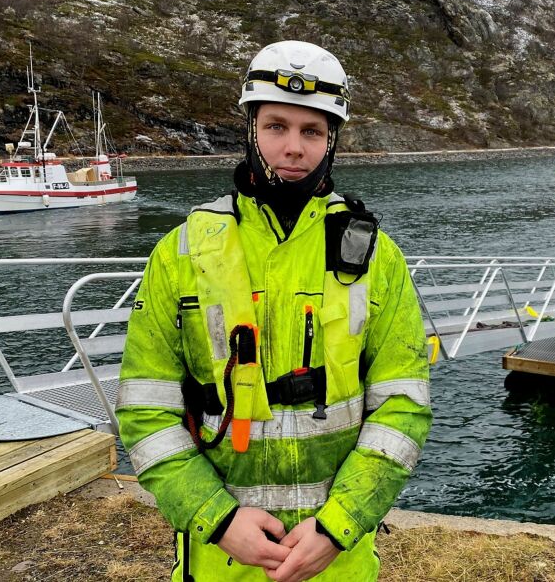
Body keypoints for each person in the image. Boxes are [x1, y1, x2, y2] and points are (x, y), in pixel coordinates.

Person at [116, 40, 432, 582]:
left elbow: (402, 406)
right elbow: (146, 410)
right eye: (276, 126)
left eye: (312, 131)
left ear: (331, 139)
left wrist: (339, 525)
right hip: (219, 560)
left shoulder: (376, 256)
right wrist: (215, 520)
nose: (294, 147)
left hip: (336, 560)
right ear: (250, 128)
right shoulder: (182, 252)